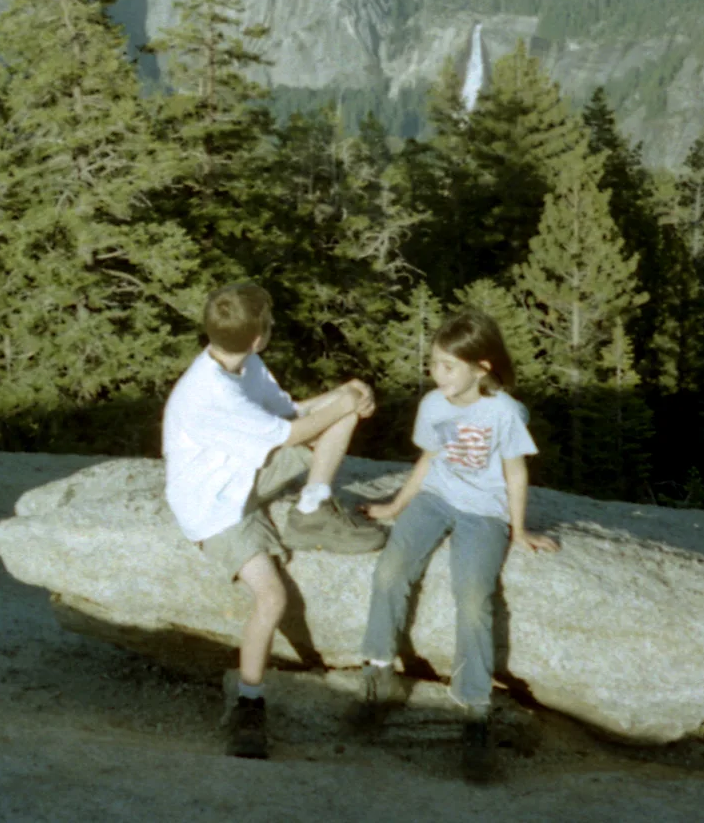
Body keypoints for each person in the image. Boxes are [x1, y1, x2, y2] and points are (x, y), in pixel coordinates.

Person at [162, 281, 385, 759]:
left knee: (340, 414)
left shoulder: (244, 364)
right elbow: (291, 434)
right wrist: (344, 403)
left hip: (241, 478)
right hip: (215, 508)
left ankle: (312, 507)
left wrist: (344, 394)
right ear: (260, 337)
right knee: (273, 596)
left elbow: (290, 412)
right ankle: (249, 701)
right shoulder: (210, 393)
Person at [356, 305, 558, 777]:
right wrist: (394, 507)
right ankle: (378, 673)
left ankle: (474, 710)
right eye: (433, 364)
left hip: (485, 511)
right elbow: (428, 460)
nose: (436, 374)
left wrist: (520, 528)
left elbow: (514, 471)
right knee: (390, 572)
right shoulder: (433, 405)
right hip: (435, 498)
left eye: (448, 366)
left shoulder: (505, 412)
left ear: (481, 367)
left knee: (472, 596)